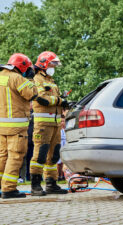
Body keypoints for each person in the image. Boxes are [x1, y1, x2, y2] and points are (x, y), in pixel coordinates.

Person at [0, 53, 57, 199]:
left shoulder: (1, 76)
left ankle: (2, 186)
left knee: (2, 157)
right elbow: (32, 93)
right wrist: (30, 78)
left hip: (1, 126)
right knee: (15, 156)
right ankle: (9, 189)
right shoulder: (17, 78)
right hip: (16, 127)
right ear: (22, 66)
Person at [30, 51, 70, 196]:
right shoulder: (37, 79)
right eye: (52, 63)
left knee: (53, 156)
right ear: (44, 63)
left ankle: (51, 184)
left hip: (55, 124)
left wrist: (64, 104)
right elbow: (42, 99)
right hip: (42, 125)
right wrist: (60, 101)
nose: (54, 66)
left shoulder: (51, 81)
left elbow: (53, 99)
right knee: (39, 155)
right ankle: (35, 185)